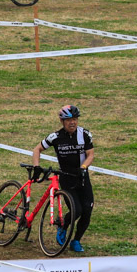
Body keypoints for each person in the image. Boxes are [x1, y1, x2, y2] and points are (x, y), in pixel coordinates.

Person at [31, 105, 94, 253]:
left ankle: (76, 240)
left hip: (82, 178)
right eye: (69, 120)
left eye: (75, 119)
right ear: (62, 121)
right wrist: (37, 166)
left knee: (87, 210)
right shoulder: (56, 137)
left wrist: (84, 167)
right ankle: (63, 226)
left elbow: (90, 154)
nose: (72, 122)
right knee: (76, 210)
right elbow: (37, 149)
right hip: (67, 179)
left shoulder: (85, 134)